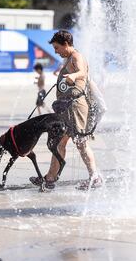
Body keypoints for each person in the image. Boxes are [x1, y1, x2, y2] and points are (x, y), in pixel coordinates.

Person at [29, 29, 103, 190]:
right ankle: (50, 178)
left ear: (66, 44)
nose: (56, 51)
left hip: (75, 107)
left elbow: (82, 72)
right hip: (67, 107)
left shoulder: (76, 57)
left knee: (81, 142)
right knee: (59, 143)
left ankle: (95, 177)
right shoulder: (69, 58)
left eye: (57, 48)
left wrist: (74, 76)